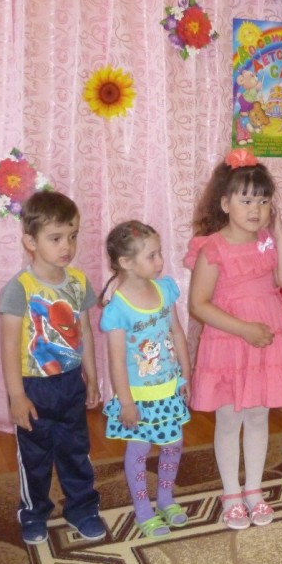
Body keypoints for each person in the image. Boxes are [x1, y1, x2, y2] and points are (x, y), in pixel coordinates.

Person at [185, 148, 282, 530]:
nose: (256, 209)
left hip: (265, 341)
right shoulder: (212, 247)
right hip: (229, 342)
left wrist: (279, 231)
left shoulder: (267, 241)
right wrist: (244, 329)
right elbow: (198, 304)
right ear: (225, 204)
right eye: (247, 200)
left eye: (264, 201)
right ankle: (231, 494)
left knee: (257, 416)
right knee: (229, 419)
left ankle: (254, 490)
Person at [0, 190, 106, 545]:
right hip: (33, 387)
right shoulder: (20, 289)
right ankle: (34, 513)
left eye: (72, 236)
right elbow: (9, 346)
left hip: (70, 382)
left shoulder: (78, 282)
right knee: (35, 455)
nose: (67, 246)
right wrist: (17, 396)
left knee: (76, 450)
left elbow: (85, 331)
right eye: (56, 238)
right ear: (31, 241)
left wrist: (92, 377)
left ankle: (82, 509)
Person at [99, 221, 191, 539]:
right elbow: (116, 361)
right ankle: (142, 509)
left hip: (168, 390)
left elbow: (176, 332)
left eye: (159, 253)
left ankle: (165, 499)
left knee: (173, 445)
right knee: (139, 450)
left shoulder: (165, 289)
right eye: (152, 256)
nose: (160, 261)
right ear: (126, 262)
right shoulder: (118, 309)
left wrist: (186, 374)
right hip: (138, 397)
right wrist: (126, 402)